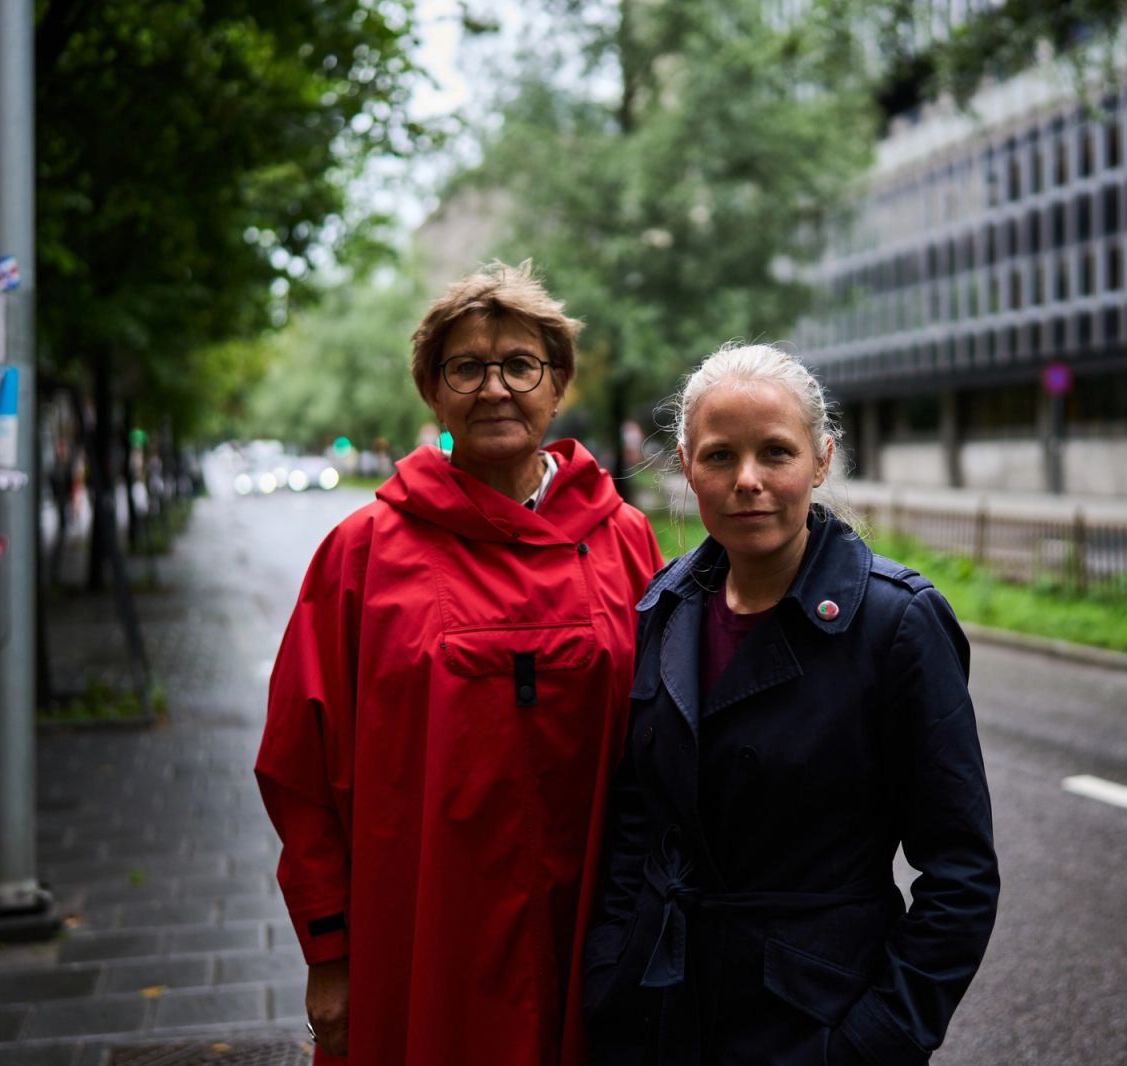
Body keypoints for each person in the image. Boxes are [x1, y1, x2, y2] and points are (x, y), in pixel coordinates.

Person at [256, 261, 664, 1065]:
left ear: (558, 384)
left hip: (601, 927)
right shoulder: (363, 554)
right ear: (432, 392)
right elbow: (299, 768)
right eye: (466, 368)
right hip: (421, 936)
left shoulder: (624, 538)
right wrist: (328, 950)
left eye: (519, 365)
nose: (494, 388)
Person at [583, 344, 999, 1066]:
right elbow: (638, 816)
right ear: (687, 467)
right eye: (720, 456)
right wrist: (609, 969)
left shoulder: (896, 623)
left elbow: (960, 877)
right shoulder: (665, 605)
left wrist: (873, 1043)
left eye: (775, 452)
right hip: (659, 1013)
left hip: (812, 1022)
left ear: (821, 459)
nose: (747, 480)